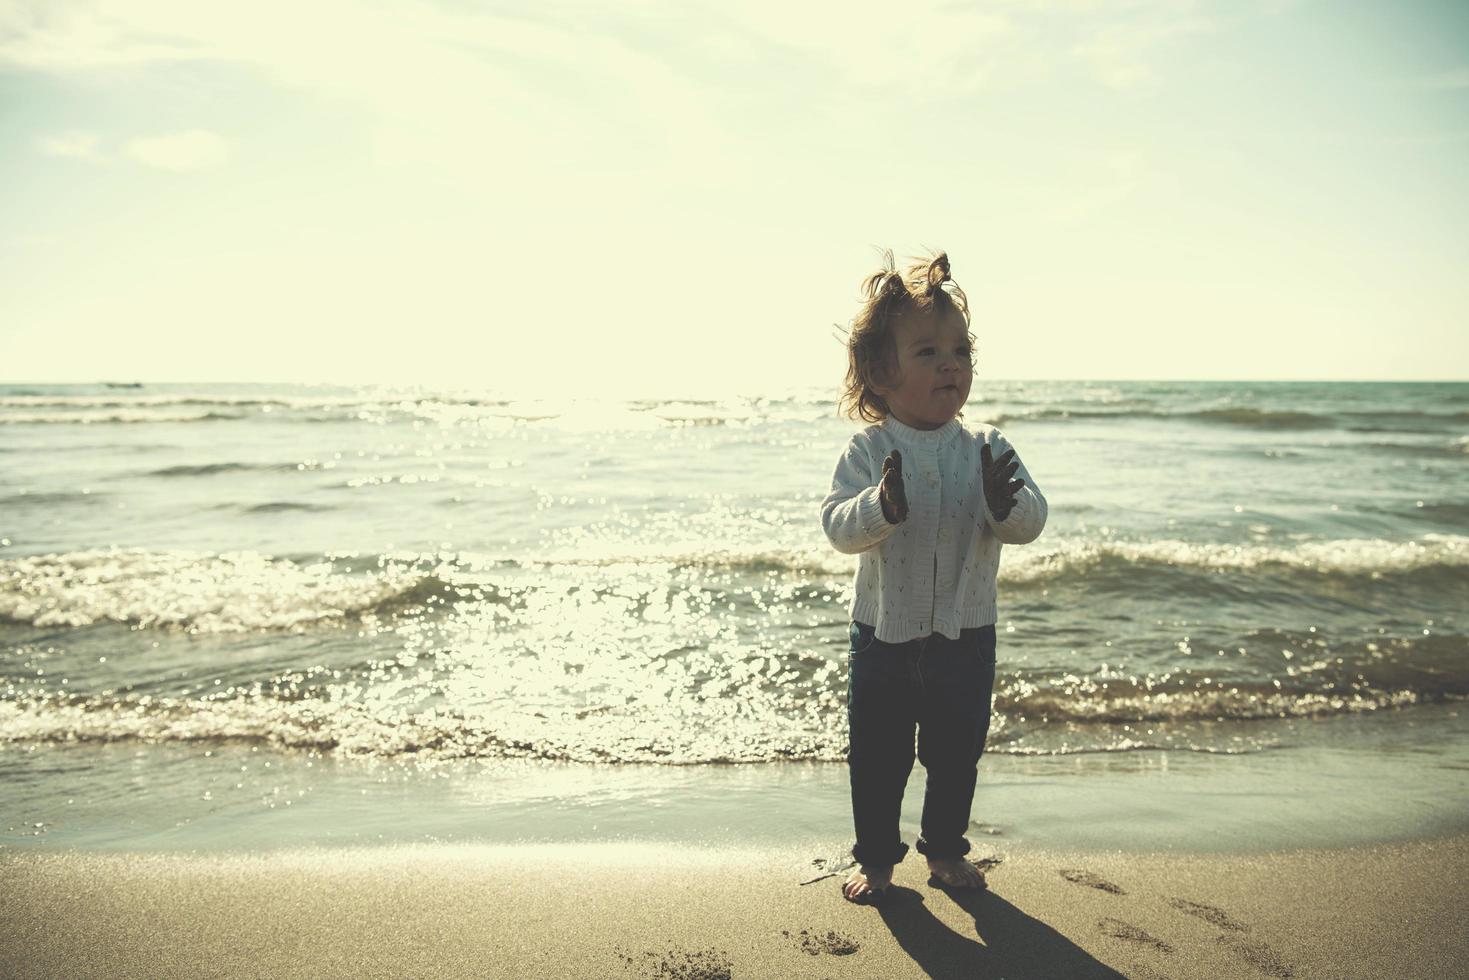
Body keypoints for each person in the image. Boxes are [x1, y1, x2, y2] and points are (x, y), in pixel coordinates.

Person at [820, 249, 1048, 905]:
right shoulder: (868, 449)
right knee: (878, 760)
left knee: (954, 757)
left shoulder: (987, 447)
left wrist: (1009, 505)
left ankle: (945, 850)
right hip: (883, 638)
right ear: (878, 375)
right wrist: (881, 507)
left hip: (966, 636)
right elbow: (837, 528)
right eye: (926, 352)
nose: (951, 363)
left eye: (960, 351)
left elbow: (1028, 522)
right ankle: (877, 860)